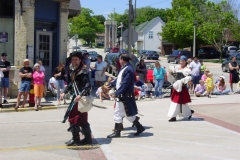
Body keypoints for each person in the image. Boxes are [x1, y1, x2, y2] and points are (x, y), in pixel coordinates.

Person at [107, 54, 145, 138]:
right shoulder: (124, 68)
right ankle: (139, 127)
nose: (119, 61)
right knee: (127, 114)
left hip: (124, 95)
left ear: (122, 59)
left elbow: (125, 83)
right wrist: (111, 84)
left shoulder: (129, 69)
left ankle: (117, 132)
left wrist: (117, 93)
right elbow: (118, 80)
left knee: (119, 113)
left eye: (119, 59)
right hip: (122, 95)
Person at [63, 52, 92, 146]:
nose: (74, 61)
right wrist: (66, 90)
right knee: (81, 118)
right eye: (72, 59)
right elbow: (72, 83)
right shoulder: (74, 70)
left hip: (80, 98)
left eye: (76, 59)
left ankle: (76, 139)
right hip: (76, 97)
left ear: (80, 60)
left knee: (73, 118)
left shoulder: (82, 71)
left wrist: (80, 95)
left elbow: (88, 86)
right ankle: (87, 139)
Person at [167, 56, 194, 122]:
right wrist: (170, 72)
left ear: (185, 62)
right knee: (178, 102)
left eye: (183, 61)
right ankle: (189, 112)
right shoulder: (176, 67)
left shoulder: (187, 70)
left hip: (182, 88)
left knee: (178, 102)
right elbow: (173, 76)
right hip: (176, 87)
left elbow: (189, 78)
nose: (181, 62)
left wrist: (182, 81)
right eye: (181, 61)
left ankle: (173, 116)